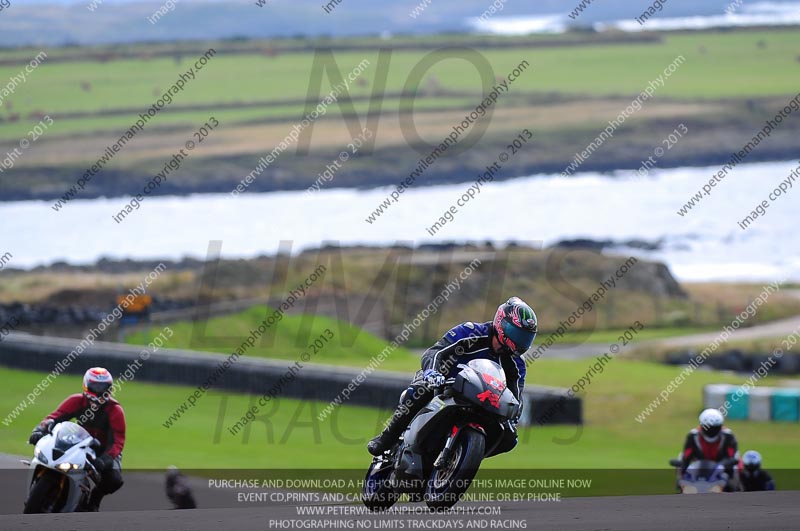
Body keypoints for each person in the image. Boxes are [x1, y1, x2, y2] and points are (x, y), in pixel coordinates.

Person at [367, 296, 537, 456]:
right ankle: (387, 438)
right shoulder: (470, 332)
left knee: (508, 438)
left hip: (481, 400)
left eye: (525, 337)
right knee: (419, 390)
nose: (520, 341)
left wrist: (512, 416)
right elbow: (435, 352)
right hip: (443, 383)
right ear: (501, 323)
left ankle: (462, 454)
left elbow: (515, 396)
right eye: (517, 334)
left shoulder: (517, 364)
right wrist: (432, 372)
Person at [28, 367, 126, 511]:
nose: (100, 390)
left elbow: (118, 441)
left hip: (104, 451)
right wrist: (39, 430)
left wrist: (105, 459)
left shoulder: (115, 410)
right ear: (86, 385)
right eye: (96, 386)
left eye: (104, 387)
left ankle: (94, 499)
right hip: (77, 443)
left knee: (114, 480)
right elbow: (53, 418)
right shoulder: (76, 400)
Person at [678, 408, 739, 490]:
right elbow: (686, 456)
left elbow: (732, 457)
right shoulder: (693, 436)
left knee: (734, 483)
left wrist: (722, 465)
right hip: (698, 471)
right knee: (681, 481)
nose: (712, 431)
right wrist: (682, 474)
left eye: (715, 428)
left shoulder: (728, 436)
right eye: (708, 427)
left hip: (722, 472)